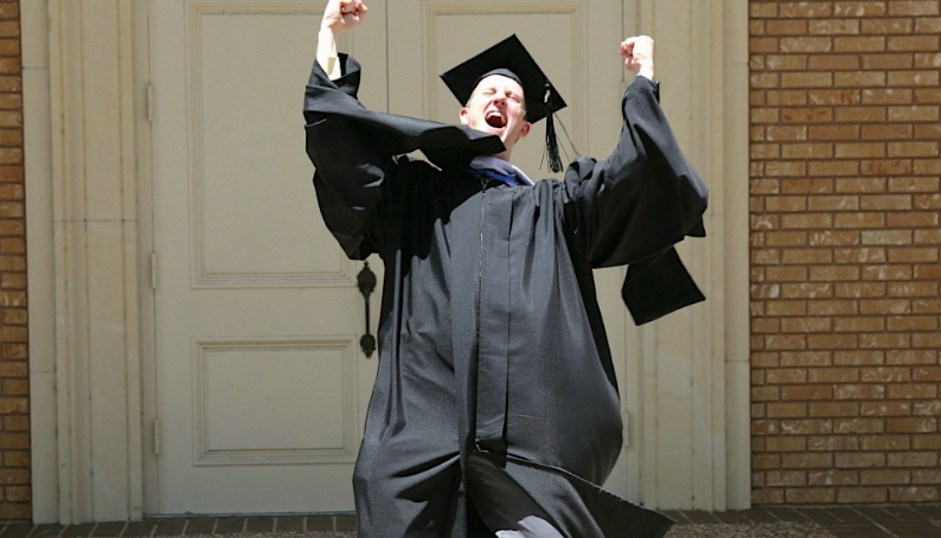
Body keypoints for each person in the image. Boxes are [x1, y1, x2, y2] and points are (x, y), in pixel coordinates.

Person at [303, 1, 708, 536]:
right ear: (464, 117)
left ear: (522, 127)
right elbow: (343, 149)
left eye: (514, 98)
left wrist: (644, 83)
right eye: (488, 93)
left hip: (530, 434)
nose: (501, 98)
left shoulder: (556, 208)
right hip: (425, 423)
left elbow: (638, 178)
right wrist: (329, 41)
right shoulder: (416, 194)